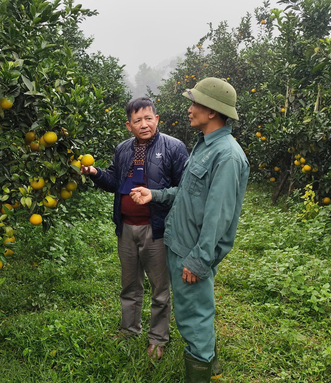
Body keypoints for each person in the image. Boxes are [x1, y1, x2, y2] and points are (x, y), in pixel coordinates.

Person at [130, 78, 249, 382]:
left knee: (193, 316)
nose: (189, 108)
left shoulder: (227, 155)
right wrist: (154, 195)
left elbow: (217, 216)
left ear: (211, 111)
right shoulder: (205, 146)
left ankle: (201, 369)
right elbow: (187, 194)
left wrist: (199, 259)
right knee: (194, 313)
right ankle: (210, 361)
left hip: (192, 252)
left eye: (195, 103)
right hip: (180, 243)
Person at [81, 97, 188, 359]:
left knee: (160, 288)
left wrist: (154, 194)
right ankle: (129, 329)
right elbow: (114, 181)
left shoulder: (174, 148)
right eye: (137, 120)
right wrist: (95, 173)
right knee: (129, 284)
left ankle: (158, 338)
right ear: (129, 125)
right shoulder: (123, 149)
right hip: (127, 227)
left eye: (148, 118)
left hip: (157, 229)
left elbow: (185, 191)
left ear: (157, 120)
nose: (144, 124)